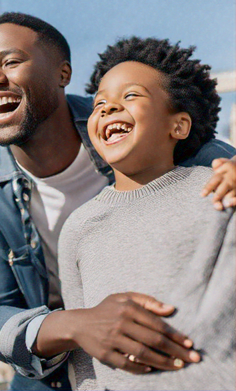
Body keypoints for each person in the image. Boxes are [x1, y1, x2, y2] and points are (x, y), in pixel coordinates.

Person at [0, 12, 236, 391]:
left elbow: (208, 152)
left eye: (12, 61)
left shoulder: (129, 129)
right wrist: (78, 324)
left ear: (63, 74)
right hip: (58, 364)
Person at [58, 37, 235, 390]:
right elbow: (82, 357)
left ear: (179, 126)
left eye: (131, 96)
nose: (108, 108)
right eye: (99, 103)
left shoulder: (219, 188)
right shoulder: (78, 229)